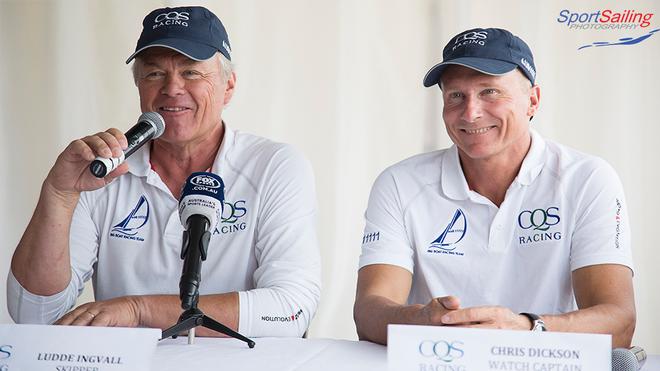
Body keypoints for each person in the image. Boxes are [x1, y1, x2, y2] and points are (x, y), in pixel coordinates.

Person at [7, 6, 321, 338]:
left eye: (191, 72)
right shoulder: (101, 170)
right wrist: (59, 193)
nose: (172, 88)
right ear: (139, 86)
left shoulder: (274, 166)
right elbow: (34, 315)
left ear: (228, 86)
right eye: (155, 73)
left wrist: (137, 309)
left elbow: (291, 311)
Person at [353, 28, 635, 347]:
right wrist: (423, 321)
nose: (471, 112)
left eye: (490, 91)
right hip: (438, 362)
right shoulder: (400, 183)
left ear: (532, 101)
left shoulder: (586, 179)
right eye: (455, 95)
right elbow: (368, 312)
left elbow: (620, 323)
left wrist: (527, 329)